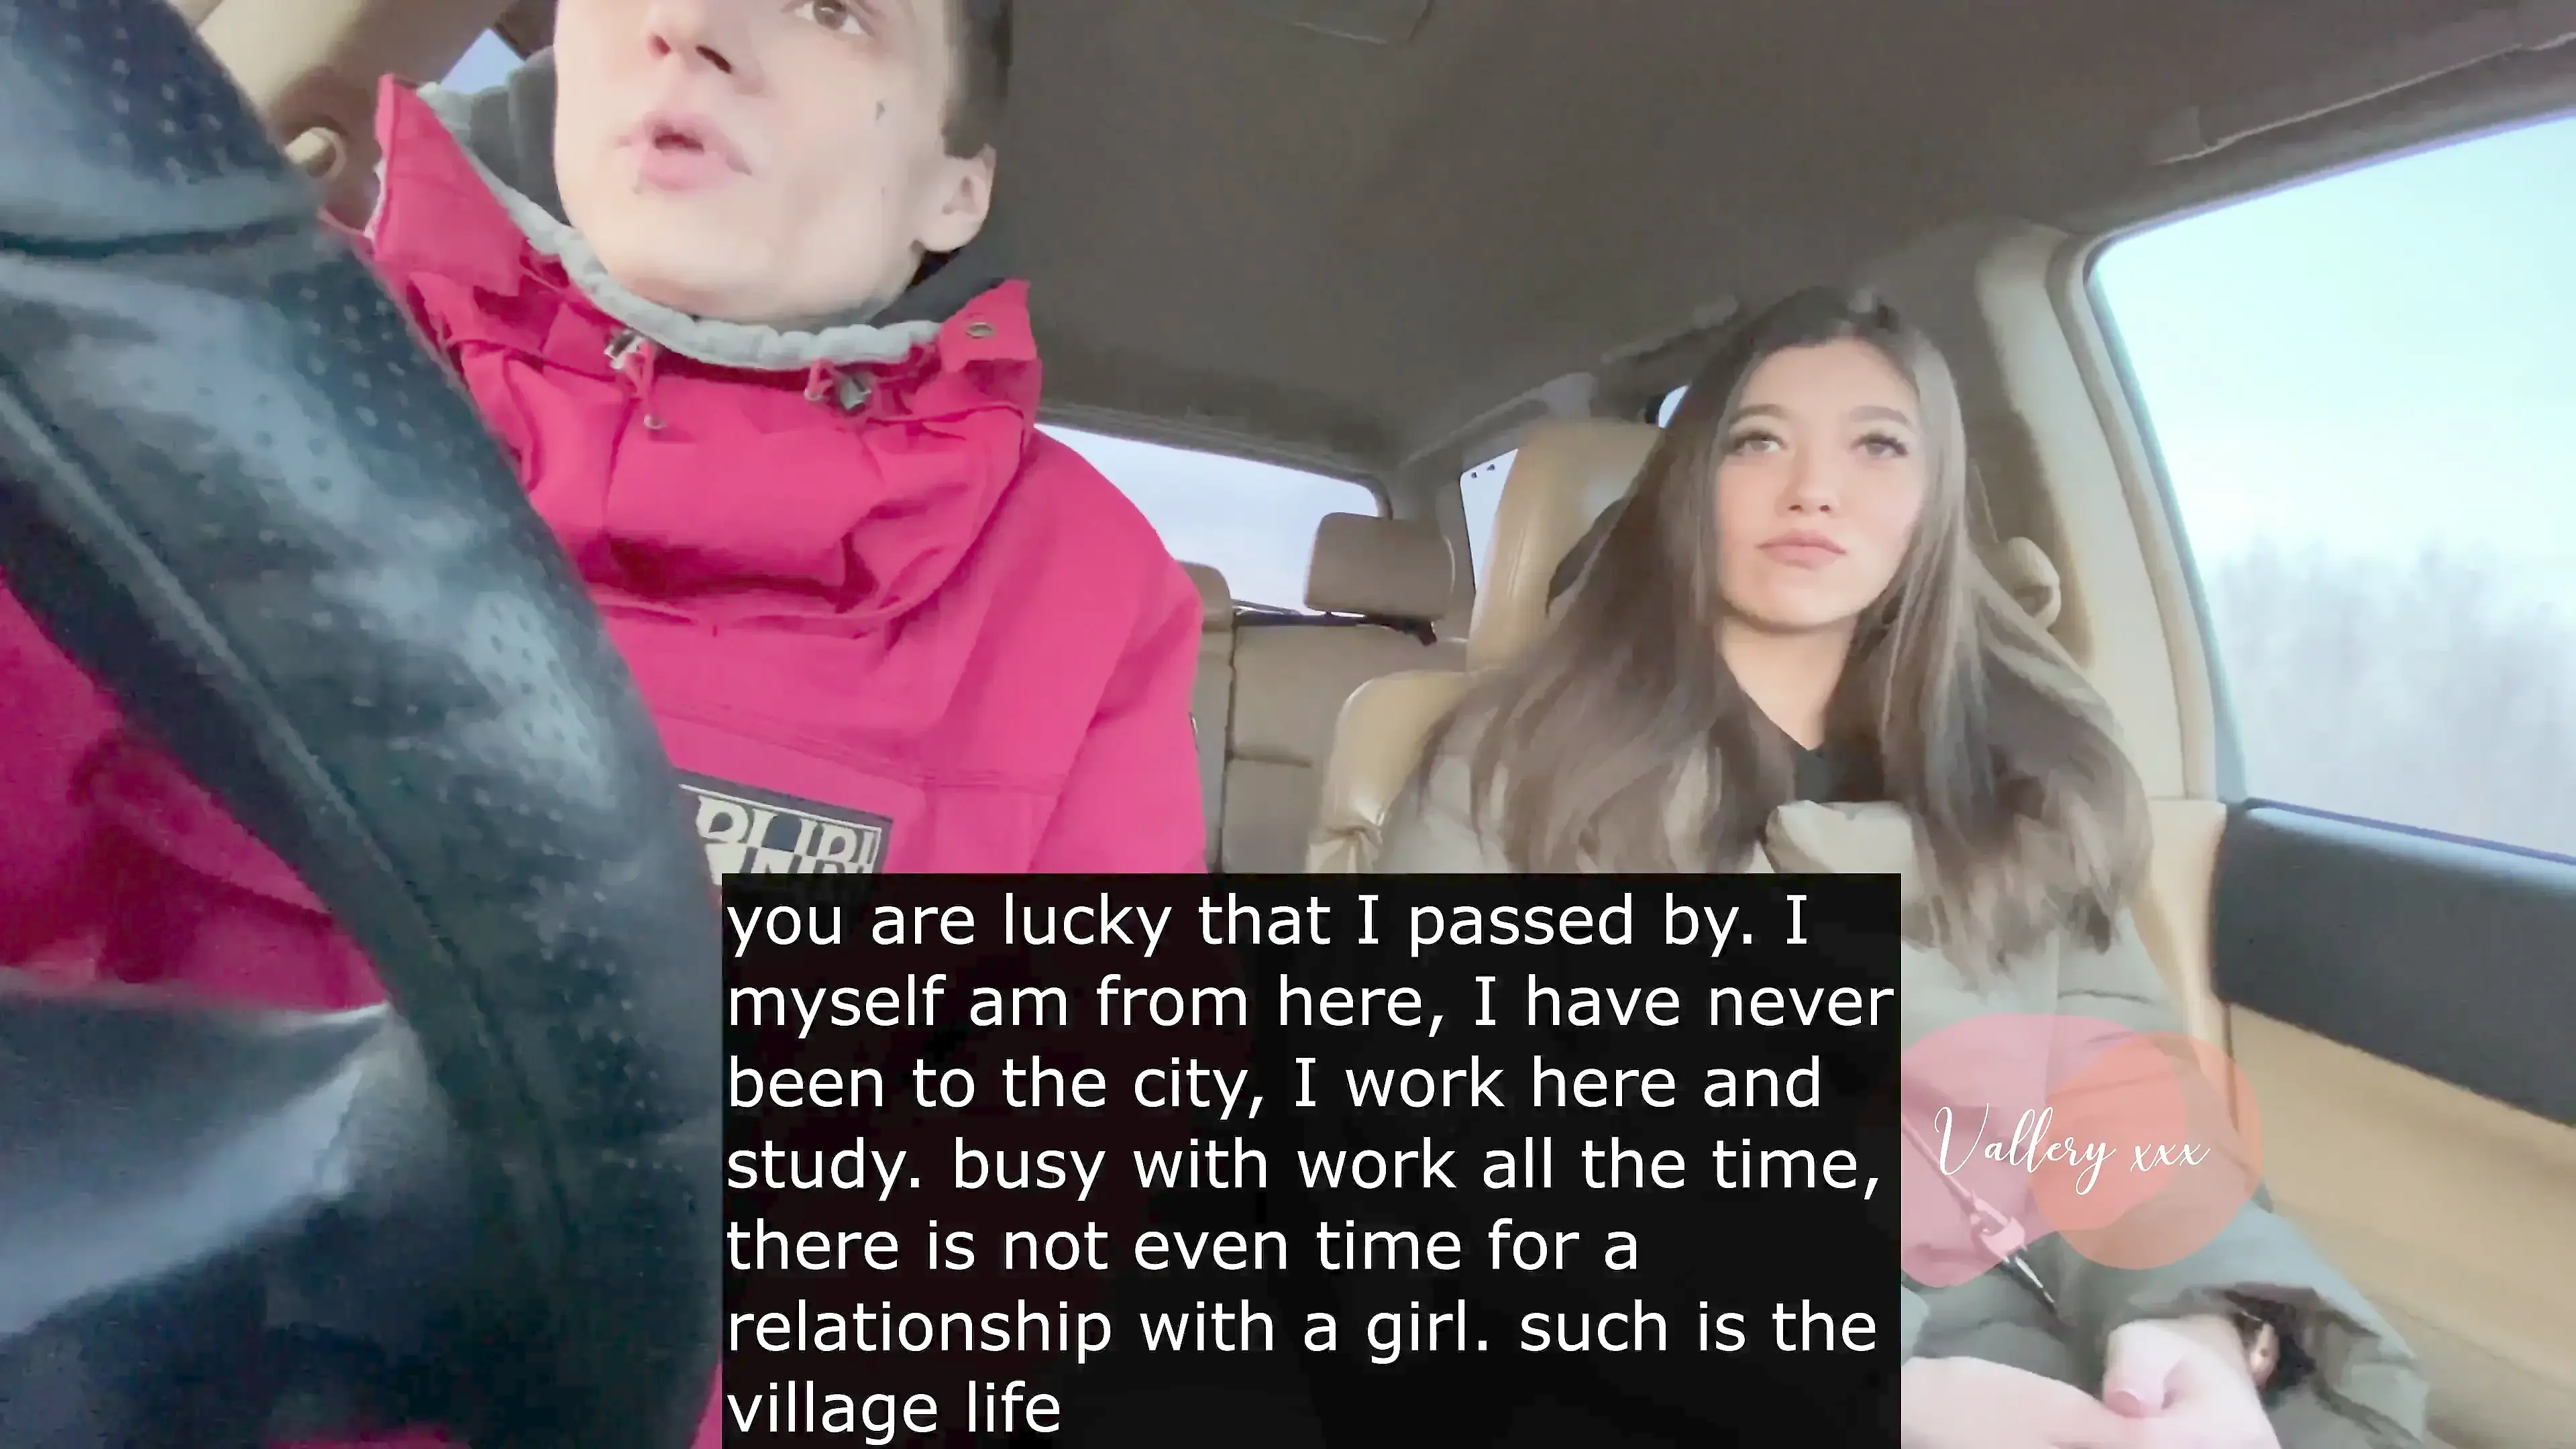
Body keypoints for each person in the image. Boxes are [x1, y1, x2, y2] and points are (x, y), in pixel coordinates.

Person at [0, 0, 1202, 1443]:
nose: (692, 26)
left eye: (831, 7)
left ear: (956, 189)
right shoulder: (214, 366)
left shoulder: (1084, 586)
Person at [1372, 287, 2430, 1447]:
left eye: (1877, 446)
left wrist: (2201, 1333)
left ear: (1935, 502)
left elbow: (2124, 1104)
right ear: (1690, 487)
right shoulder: (1515, 774)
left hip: (2076, 1362)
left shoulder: (2021, 777)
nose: (1813, 489)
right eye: (1758, 441)